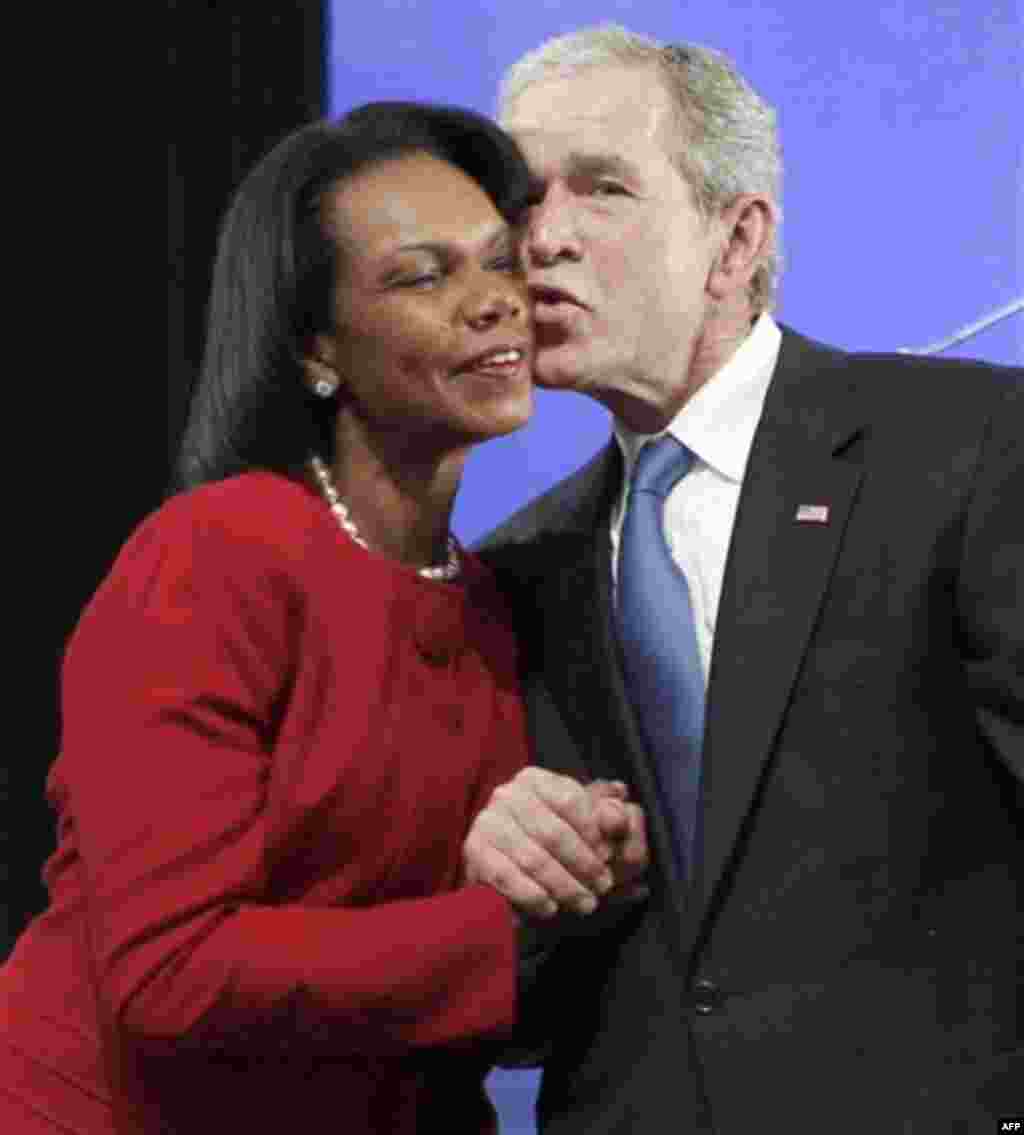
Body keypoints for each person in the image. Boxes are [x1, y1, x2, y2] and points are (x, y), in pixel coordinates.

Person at [461, 24, 1024, 1133]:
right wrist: (503, 889)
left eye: (603, 189)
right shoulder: (519, 570)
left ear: (735, 239)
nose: (544, 240)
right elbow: (532, 1014)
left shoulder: (965, 451)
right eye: (523, 200)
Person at [4, 101, 555, 1134]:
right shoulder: (216, 558)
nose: (494, 304)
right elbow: (170, 974)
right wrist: (516, 938)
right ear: (316, 348)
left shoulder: (486, 602)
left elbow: (421, 995)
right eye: (422, 275)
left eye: (498, 261)